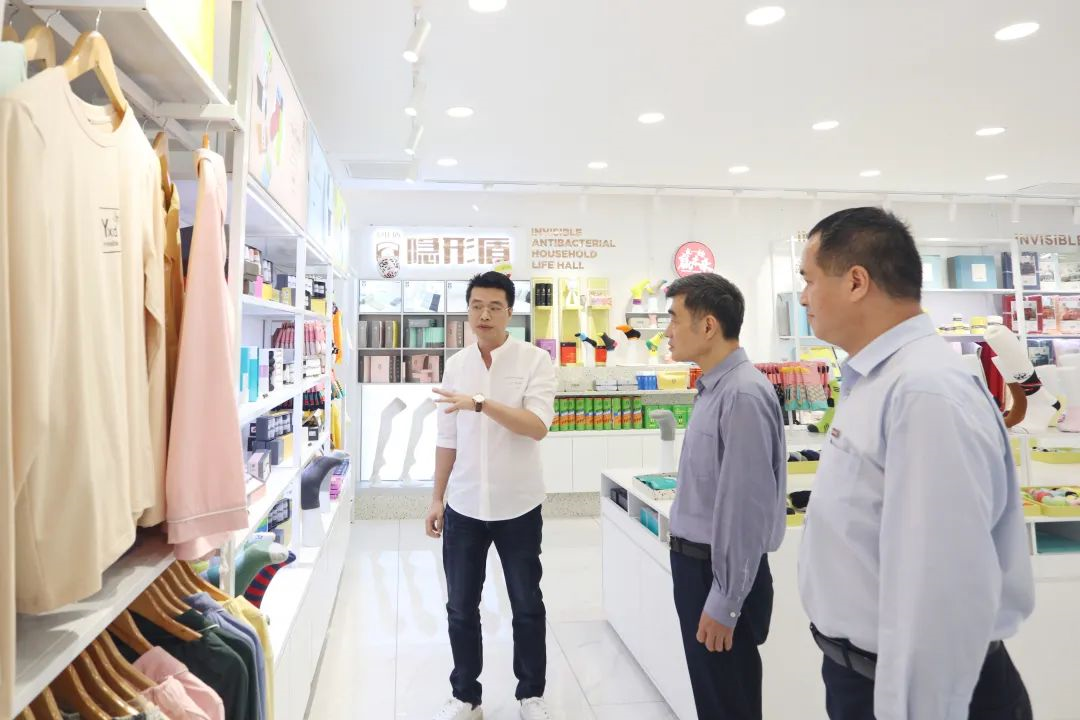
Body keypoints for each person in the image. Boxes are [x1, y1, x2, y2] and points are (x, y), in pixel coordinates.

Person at [797, 207, 1035, 720]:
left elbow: (942, 589)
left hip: (924, 689)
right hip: (864, 677)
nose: (803, 297)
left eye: (809, 279)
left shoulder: (924, 392)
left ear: (856, 281)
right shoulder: (879, 380)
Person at [425, 271, 557, 720]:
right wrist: (436, 498)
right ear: (468, 310)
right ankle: (466, 696)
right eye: (477, 305)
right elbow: (447, 437)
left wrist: (481, 403)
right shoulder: (456, 364)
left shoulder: (534, 361)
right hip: (464, 505)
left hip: (518, 504)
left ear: (509, 312)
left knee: (526, 604)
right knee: (461, 607)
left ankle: (531, 695)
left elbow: (536, 427)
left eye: (494, 307)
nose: (484, 314)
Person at [663, 272, 787, 720]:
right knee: (715, 699)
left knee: (728, 703)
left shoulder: (742, 394)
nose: (667, 331)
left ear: (708, 325)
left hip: (717, 575)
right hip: (700, 569)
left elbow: (745, 510)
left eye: (674, 319)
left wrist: (726, 600)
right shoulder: (714, 388)